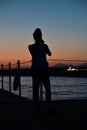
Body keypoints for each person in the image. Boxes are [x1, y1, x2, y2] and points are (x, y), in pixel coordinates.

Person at [28, 28, 52, 104]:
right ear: (41, 36)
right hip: (44, 69)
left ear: (34, 37)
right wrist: (43, 43)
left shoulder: (30, 47)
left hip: (35, 69)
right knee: (47, 89)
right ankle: (49, 106)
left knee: (36, 89)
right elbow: (50, 54)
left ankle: (37, 107)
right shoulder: (44, 46)